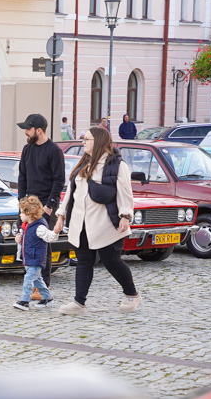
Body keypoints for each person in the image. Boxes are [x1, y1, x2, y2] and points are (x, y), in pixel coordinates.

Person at [39, 126, 141, 315]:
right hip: (81, 224)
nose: (83, 142)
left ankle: (132, 294)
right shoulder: (82, 165)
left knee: (112, 261)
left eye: (87, 139)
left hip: (106, 224)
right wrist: (61, 216)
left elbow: (125, 193)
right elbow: (71, 193)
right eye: (83, 139)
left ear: (99, 141)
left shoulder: (117, 166)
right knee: (84, 261)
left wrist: (126, 216)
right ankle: (79, 303)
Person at [17, 113, 66, 287]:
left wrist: (49, 206)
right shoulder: (27, 149)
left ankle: (43, 284)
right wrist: (21, 204)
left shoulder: (54, 151)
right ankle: (30, 282)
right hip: (28, 204)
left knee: (42, 244)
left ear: (39, 130)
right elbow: (22, 177)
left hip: (46, 205)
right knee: (27, 241)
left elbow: (59, 181)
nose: (26, 133)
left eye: (28, 129)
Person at [12, 196, 54, 311]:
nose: (20, 215)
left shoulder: (39, 227)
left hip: (35, 259)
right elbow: (25, 240)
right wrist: (18, 240)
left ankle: (24, 301)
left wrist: (55, 232)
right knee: (38, 280)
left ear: (29, 214)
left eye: (21, 212)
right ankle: (47, 297)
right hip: (29, 258)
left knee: (28, 280)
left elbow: (49, 236)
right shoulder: (26, 226)